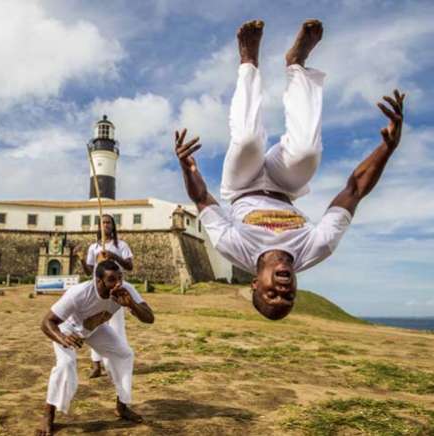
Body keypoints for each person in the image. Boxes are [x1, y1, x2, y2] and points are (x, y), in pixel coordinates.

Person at [174, 19, 405, 320]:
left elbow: (203, 199)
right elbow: (354, 190)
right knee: (307, 153)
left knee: (246, 142)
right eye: (289, 296)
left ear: (255, 284)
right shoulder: (316, 248)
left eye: (272, 294)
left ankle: (248, 62)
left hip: (243, 186)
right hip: (285, 187)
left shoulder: (235, 248)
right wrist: (388, 148)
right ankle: (296, 66)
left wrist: (187, 166)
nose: (283, 290)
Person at [37, 260, 154, 435]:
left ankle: (121, 407)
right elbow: (47, 322)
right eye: (112, 280)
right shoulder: (79, 293)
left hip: (95, 329)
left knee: (124, 354)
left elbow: (149, 318)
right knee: (66, 364)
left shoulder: (125, 290)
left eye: (120, 278)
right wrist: (62, 338)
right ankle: (48, 414)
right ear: (99, 281)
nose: (118, 284)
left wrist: (131, 304)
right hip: (68, 331)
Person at [79, 214, 134, 378]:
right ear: (99, 226)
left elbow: (129, 266)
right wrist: (82, 260)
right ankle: (96, 366)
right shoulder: (93, 247)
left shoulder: (122, 245)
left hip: (115, 290)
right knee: (94, 327)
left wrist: (114, 256)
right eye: (102, 223)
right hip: (97, 291)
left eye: (108, 222)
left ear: (113, 226)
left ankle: (119, 363)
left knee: (117, 328)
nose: (105, 225)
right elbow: (90, 271)